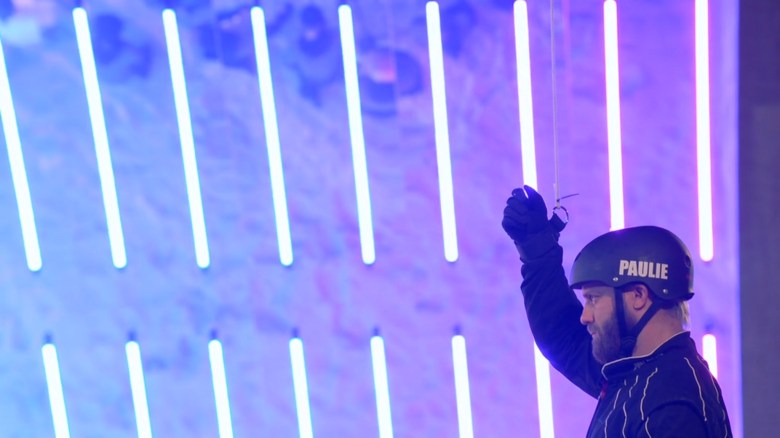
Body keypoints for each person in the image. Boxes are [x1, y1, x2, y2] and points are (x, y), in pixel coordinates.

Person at [501, 185, 732, 437]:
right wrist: (537, 252)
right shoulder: (641, 371)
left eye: (593, 299)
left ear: (638, 296)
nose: (585, 316)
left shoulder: (671, 407)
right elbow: (565, 338)